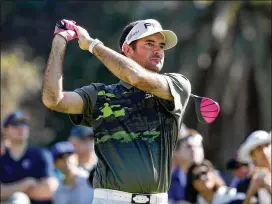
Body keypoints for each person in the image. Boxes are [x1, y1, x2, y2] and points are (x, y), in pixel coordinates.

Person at [42, 18, 191, 204]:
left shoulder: (177, 85)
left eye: (161, 45)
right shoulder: (101, 95)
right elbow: (53, 99)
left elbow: (136, 77)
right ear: (127, 49)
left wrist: (93, 45)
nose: (158, 50)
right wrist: (59, 41)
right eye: (149, 44)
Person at [0, 111, 59, 204]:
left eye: (24, 123)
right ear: (5, 130)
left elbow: (50, 189)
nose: (20, 127)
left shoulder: (40, 154)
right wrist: (26, 184)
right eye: (15, 124)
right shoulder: (2, 157)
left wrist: (8, 191)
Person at [185, 160, 250, 204]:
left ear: (214, 173)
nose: (202, 178)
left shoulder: (235, 196)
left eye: (204, 172)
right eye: (197, 176)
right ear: (193, 184)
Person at [168, 129, 204, 203]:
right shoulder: (168, 181)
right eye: (189, 146)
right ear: (176, 153)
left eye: (198, 146)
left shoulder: (213, 177)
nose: (194, 150)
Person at [237, 130, 271, 204]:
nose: (265, 151)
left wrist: (268, 187)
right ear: (252, 155)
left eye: (267, 145)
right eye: (259, 149)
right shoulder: (244, 185)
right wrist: (251, 192)